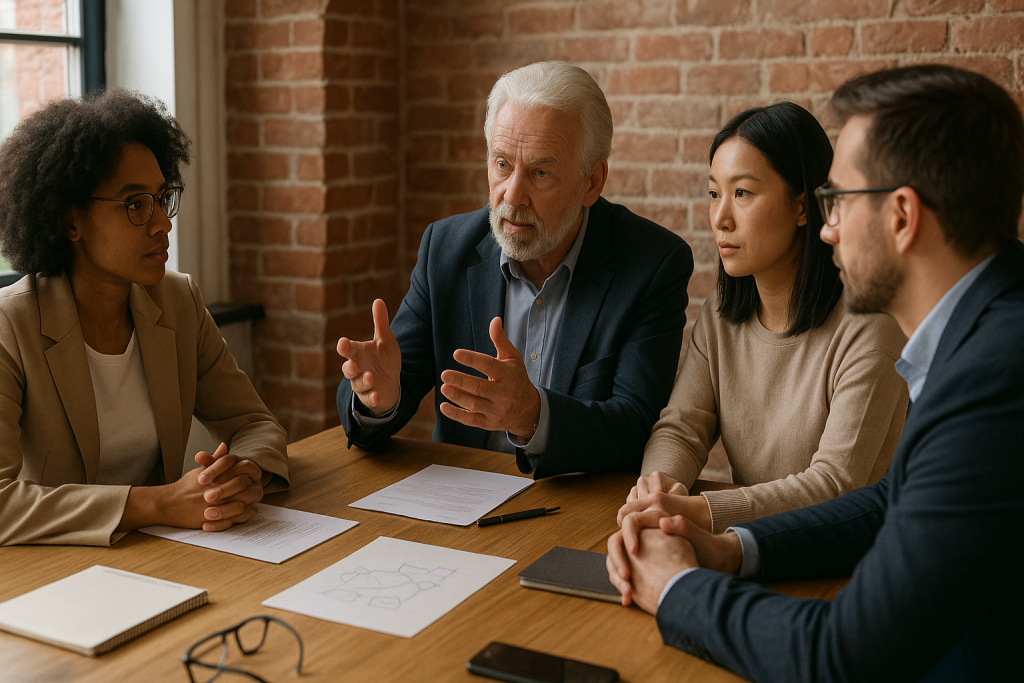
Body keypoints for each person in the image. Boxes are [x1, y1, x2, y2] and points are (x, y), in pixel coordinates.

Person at [607, 64, 1024, 682]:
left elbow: (841, 657)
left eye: (839, 201)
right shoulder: (985, 337)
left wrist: (677, 587)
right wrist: (730, 549)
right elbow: (891, 501)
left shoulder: (994, 377)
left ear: (902, 217)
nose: (828, 228)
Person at [335, 62, 693, 478]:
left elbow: (633, 428)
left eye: (540, 172)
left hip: (581, 506)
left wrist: (531, 415)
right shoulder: (447, 249)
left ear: (592, 182)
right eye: (502, 165)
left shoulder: (652, 263)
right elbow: (389, 379)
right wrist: (376, 400)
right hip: (460, 503)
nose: (513, 195)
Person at [0, 89, 290, 547]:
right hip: (52, 573)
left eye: (162, 198)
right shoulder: (10, 327)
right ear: (70, 220)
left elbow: (255, 424)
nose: (162, 224)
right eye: (135, 204)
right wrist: (156, 503)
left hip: (159, 551)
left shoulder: (178, 302)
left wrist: (243, 474)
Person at [621, 103, 908, 534]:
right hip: (747, 545)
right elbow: (681, 428)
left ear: (803, 207)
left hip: (849, 556)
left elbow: (835, 484)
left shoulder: (870, 327)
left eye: (743, 193)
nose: (720, 218)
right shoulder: (721, 314)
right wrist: (656, 490)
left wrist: (703, 511)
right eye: (714, 193)